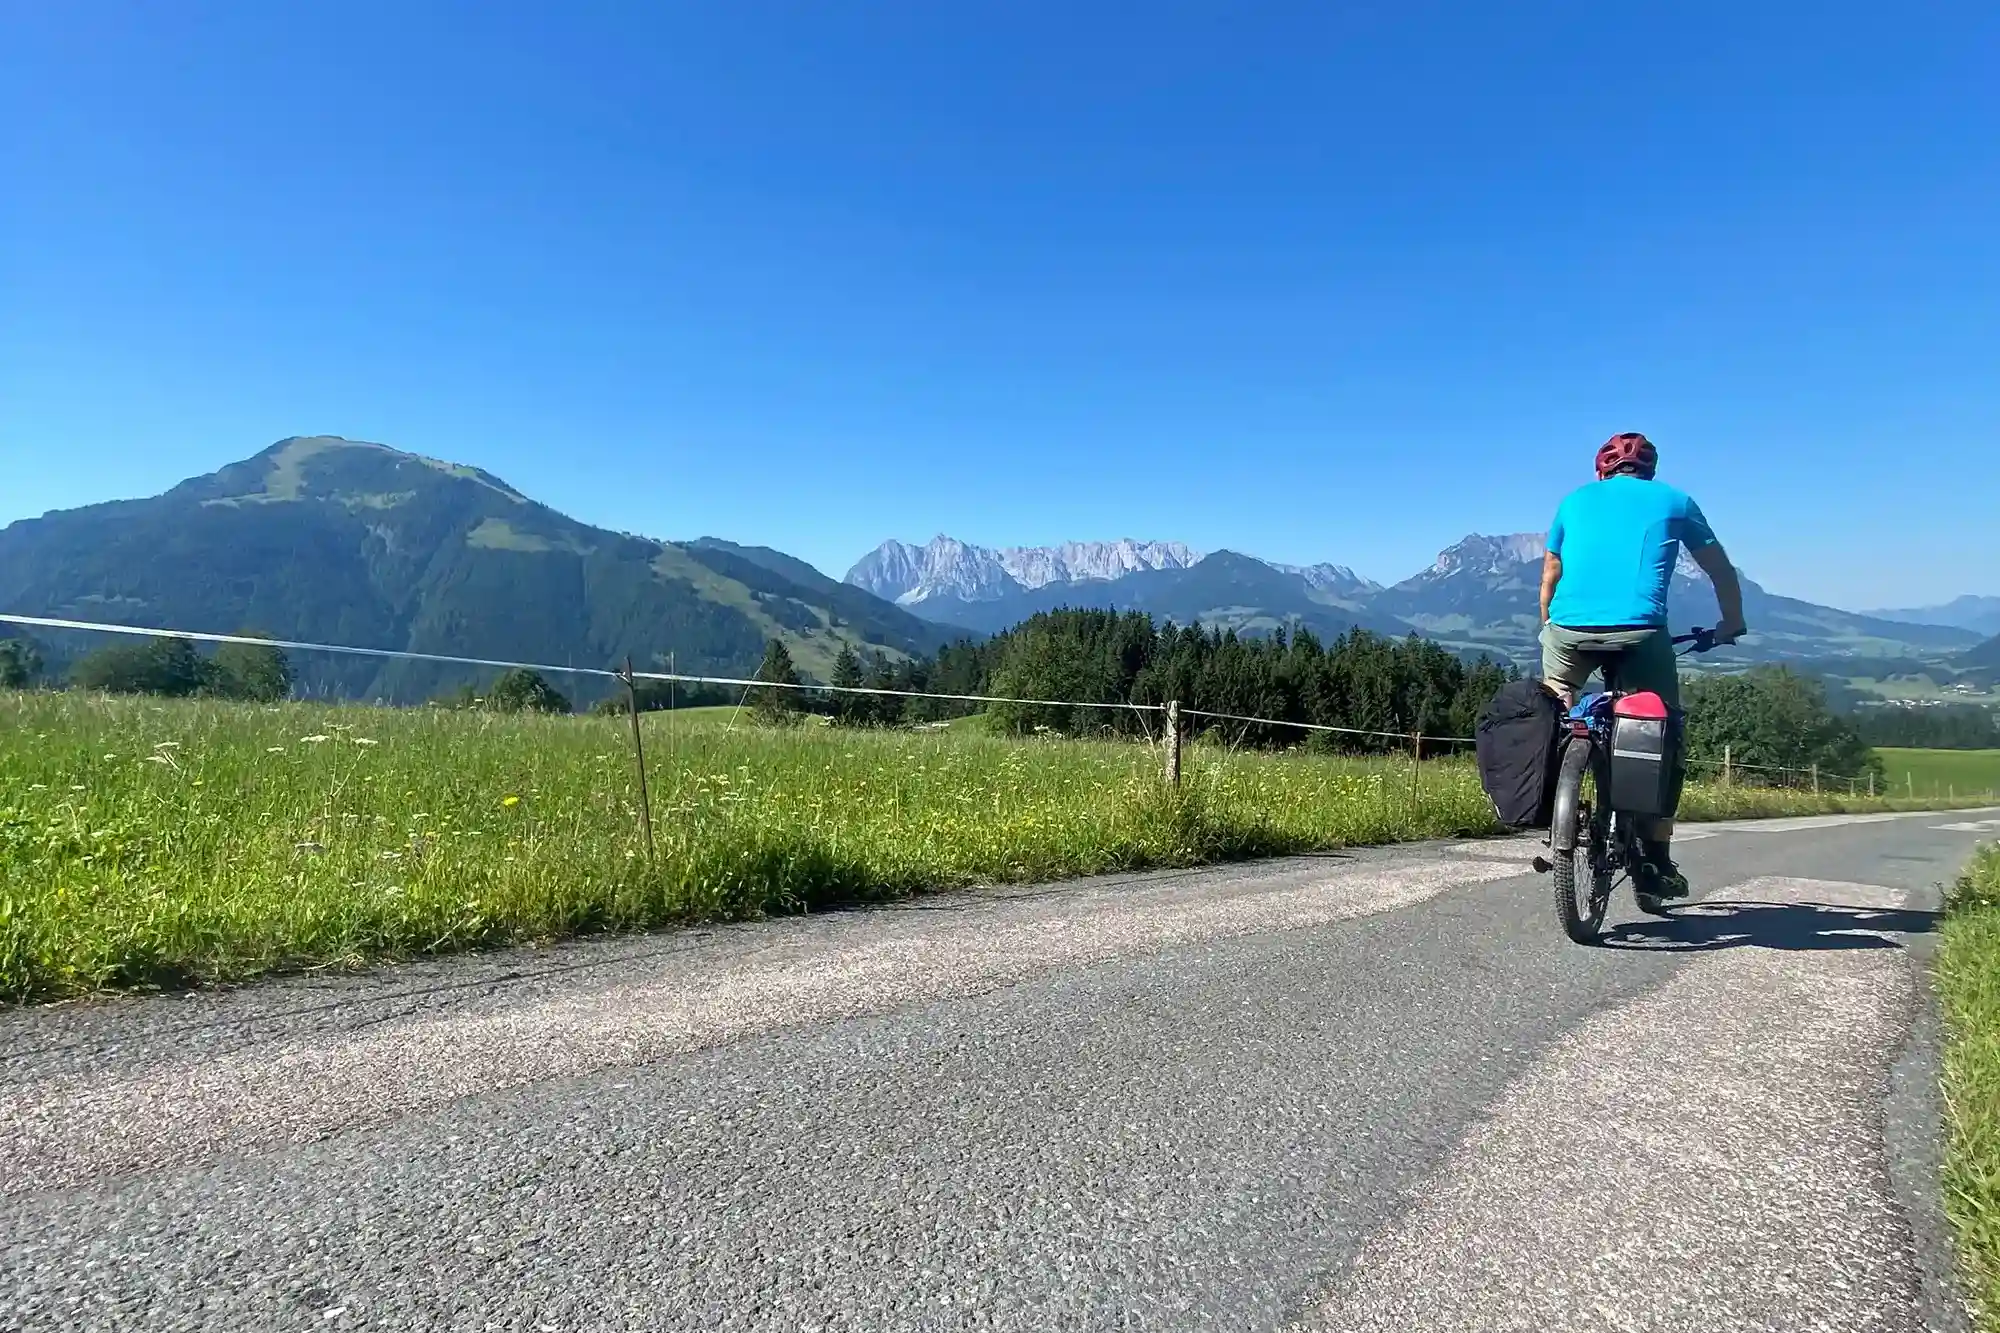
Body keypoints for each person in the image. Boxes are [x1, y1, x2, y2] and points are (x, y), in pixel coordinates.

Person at [1538, 432, 1747, 898]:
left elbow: (1551, 571)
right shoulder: (1675, 501)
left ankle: (1551, 803)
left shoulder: (1573, 501)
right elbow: (1720, 571)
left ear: (1601, 472)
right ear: (1649, 471)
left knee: (1551, 704)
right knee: (1663, 732)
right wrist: (1731, 623)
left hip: (1568, 633)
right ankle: (1655, 857)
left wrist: (1550, 624)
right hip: (1641, 633)